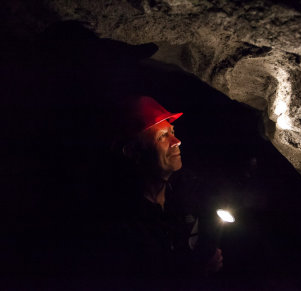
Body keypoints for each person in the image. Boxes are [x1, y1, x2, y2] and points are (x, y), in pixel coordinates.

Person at [95, 96, 223, 288]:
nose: (176, 141)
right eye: (163, 136)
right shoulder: (119, 221)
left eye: (172, 132)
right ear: (132, 151)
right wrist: (195, 271)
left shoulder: (188, 191)